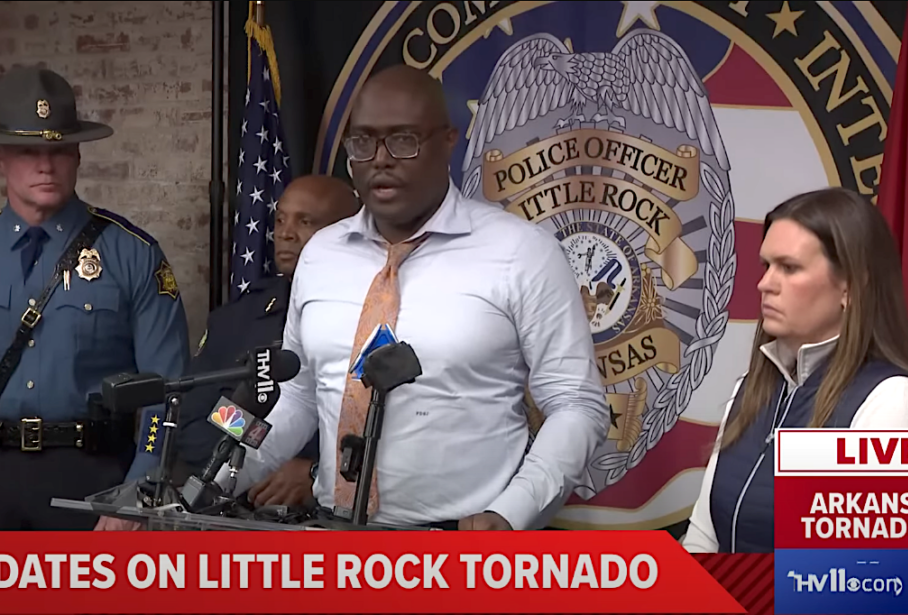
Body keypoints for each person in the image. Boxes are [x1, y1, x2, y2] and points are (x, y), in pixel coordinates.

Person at [214, 65, 610, 531]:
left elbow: (576, 403)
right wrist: (216, 478)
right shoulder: (321, 254)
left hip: (462, 549)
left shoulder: (522, 252)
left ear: (448, 141)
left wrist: (510, 514)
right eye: (363, 143)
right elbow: (297, 397)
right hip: (329, 536)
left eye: (403, 140)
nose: (381, 159)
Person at [0, 65, 190, 530]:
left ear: (79, 155)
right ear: (2, 158)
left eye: (60, 149)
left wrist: (139, 492)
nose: (46, 165)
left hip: (96, 482)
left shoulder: (133, 253)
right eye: (28, 150)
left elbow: (166, 391)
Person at [682, 187, 908, 553]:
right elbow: (703, 536)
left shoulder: (890, 402)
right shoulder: (749, 390)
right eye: (767, 266)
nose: (764, 284)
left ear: (851, 287)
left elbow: (871, 583)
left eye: (789, 268)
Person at [172, 174, 361, 507]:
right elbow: (196, 422)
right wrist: (251, 458)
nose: (285, 233)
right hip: (235, 509)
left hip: (335, 512)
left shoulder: (375, 315)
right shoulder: (238, 318)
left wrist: (316, 473)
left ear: (348, 233)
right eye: (280, 219)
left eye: (306, 222)